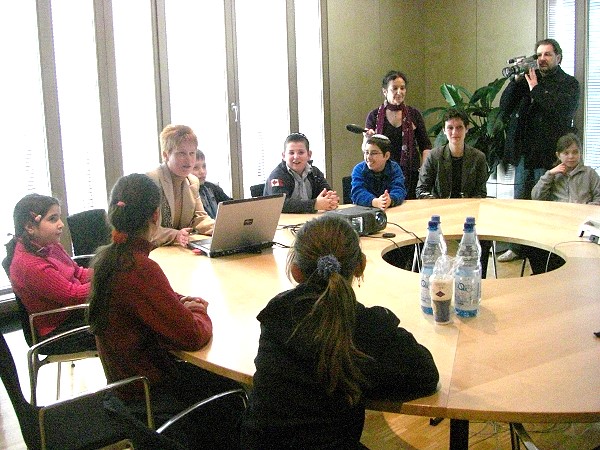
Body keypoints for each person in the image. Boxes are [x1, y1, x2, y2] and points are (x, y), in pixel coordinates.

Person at [240, 215, 439, 449]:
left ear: (295, 271)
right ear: (361, 266)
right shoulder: (366, 327)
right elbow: (426, 375)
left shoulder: (276, 314)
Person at [88, 173, 243, 449]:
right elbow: (193, 336)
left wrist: (178, 303)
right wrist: (200, 311)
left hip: (126, 387)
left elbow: (155, 301)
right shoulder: (138, 268)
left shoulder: (110, 258)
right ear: (156, 215)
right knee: (237, 393)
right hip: (150, 395)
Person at [498, 38, 580, 262]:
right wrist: (516, 82)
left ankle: (547, 250)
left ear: (558, 58)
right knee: (521, 204)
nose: (542, 59)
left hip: (551, 157)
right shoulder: (526, 80)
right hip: (525, 155)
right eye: (539, 55)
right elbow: (504, 108)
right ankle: (517, 248)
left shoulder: (569, 84)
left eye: (547, 55)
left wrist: (536, 89)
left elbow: (561, 111)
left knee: (546, 207)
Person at [3, 194, 96, 353]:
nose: (61, 224)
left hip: (72, 313)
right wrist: (109, 279)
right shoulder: (29, 265)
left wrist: (108, 269)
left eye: (59, 218)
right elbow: (72, 295)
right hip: (58, 330)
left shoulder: (49, 246)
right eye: (53, 219)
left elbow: (78, 273)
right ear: (30, 227)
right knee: (125, 323)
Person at [416, 108, 492, 277]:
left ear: (467, 129)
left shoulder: (478, 157)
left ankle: (479, 278)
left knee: (484, 239)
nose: (454, 132)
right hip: (439, 214)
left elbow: (481, 192)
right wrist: (440, 205)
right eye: (450, 128)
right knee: (421, 235)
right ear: (444, 130)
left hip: (469, 214)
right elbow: (421, 190)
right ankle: (429, 277)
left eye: (459, 127)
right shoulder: (434, 156)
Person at [526, 133, 600, 274]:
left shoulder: (590, 174)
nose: (571, 156)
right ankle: (545, 275)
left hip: (582, 225)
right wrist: (549, 175)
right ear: (558, 155)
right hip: (556, 224)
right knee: (534, 245)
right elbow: (536, 197)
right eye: (566, 153)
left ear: (580, 153)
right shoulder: (553, 175)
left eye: (575, 152)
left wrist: (587, 208)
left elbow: (599, 198)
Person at [364, 70, 432, 200]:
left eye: (402, 88)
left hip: (411, 175)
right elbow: (366, 150)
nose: (399, 92)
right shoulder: (373, 116)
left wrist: (424, 173)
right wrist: (367, 138)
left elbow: (425, 146)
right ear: (385, 91)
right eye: (394, 88)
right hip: (382, 174)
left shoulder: (414, 114)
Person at [147, 124, 214, 247]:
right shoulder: (151, 181)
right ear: (165, 155)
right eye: (181, 153)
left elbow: (199, 218)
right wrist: (174, 234)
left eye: (192, 153)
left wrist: (221, 228)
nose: (189, 160)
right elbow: (147, 229)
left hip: (178, 251)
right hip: (154, 251)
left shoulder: (192, 181)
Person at [263, 132, 339, 213]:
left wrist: (331, 199)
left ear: (309, 155)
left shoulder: (315, 172)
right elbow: (279, 204)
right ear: (284, 156)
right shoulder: (277, 176)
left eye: (301, 152)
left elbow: (326, 193)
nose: (296, 157)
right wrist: (314, 204)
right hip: (282, 223)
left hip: (307, 220)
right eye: (291, 153)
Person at [351, 134, 407, 209]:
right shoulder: (359, 169)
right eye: (366, 152)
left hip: (390, 210)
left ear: (386, 156)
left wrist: (390, 200)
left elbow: (399, 189)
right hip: (364, 211)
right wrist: (375, 202)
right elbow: (357, 192)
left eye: (374, 153)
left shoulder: (394, 168)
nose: (368, 157)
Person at [192, 149, 232, 219]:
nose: (202, 171)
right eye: (195, 168)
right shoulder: (186, 193)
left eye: (204, 166)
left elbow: (232, 205)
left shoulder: (213, 188)